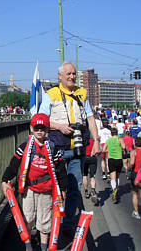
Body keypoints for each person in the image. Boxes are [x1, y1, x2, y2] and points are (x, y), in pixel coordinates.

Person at [39, 61, 100, 237]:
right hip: (57, 148)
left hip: (78, 149)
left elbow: (90, 118)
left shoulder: (82, 94)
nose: (72, 77)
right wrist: (59, 126)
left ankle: (66, 223)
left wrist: (96, 141)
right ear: (60, 76)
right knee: (55, 187)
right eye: (69, 74)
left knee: (75, 186)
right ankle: (50, 222)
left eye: (74, 74)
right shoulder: (51, 94)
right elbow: (41, 121)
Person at [1, 113, 67, 251]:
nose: (39, 131)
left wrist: (63, 189)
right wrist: (5, 180)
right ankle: (28, 246)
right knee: (28, 218)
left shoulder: (54, 149)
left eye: (43, 128)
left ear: (48, 130)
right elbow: (14, 164)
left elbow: (61, 170)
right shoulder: (25, 146)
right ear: (31, 128)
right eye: (36, 128)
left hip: (47, 189)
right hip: (29, 189)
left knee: (45, 220)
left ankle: (44, 247)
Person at [103, 128, 126, 203]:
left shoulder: (108, 140)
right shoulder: (120, 139)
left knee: (112, 176)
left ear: (111, 134)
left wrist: (109, 150)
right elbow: (124, 147)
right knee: (117, 176)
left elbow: (103, 150)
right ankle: (117, 188)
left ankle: (114, 189)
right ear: (117, 133)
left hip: (111, 159)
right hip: (118, 159)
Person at [83, 138, 98, 203]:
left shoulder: (82, 140)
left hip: (84, 158)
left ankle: (86, 192)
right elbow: (98, 150)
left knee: (84, 175)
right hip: (92, 158)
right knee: (92, 176)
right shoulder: (94, 140)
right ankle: (93, 189)